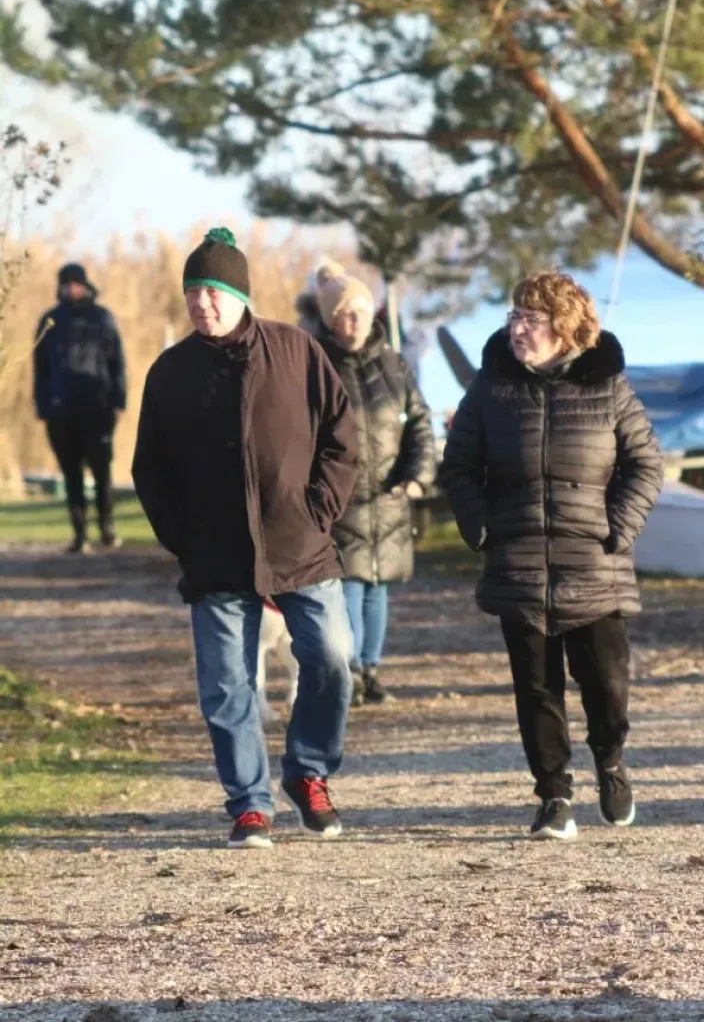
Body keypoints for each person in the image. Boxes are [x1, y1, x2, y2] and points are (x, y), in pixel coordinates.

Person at [132, 228, 359, 849]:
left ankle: (309, 772)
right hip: (216, 556)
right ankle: (249, 804)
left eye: (213, 291)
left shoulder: (296, 351)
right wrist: (183, 537)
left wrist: (321, 508)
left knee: (334, 656)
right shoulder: (171, 372)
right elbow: (148, 467)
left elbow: (343, 437)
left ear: (239, 295)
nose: (202, 303)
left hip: (301, 543)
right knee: (229, 687)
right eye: (193, 293)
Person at [439, 271, 663, 841]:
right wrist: (479, 527)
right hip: (518, 562)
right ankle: (554, 796)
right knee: (536, 690)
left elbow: (645, 465)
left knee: (607, 688)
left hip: (595, 564)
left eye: (531, 319)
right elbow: (459, 464)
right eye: (514, 316)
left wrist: (619, 529)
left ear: (564, 328)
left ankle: (610, 761)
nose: (518, 328)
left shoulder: (608, 387)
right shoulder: (490, 389)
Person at [302, 259, 436, 705]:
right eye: (345, 311)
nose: (355, 319)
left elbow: (419, 422)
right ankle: (352, 669)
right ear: (331, 320)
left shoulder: (394, 365)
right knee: (350, 588)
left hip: (391, 496)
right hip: (343, 501)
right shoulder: (315, 367)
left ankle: (372, 667)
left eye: (361, 308)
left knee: (379, 587)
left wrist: (417, 478)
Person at [33, 262, 126, 552]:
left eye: (77, 282)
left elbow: (117, 364)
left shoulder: (102, 318)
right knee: (71, 475)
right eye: (67, 282)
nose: (72, 287)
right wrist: (43, 406)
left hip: (98, 410)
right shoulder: (50, 321)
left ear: (86, 284)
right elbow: (40, 369)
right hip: (61, 413)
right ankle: (79, 535)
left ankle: (107, 530)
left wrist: (118, 401)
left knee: (102, 473)